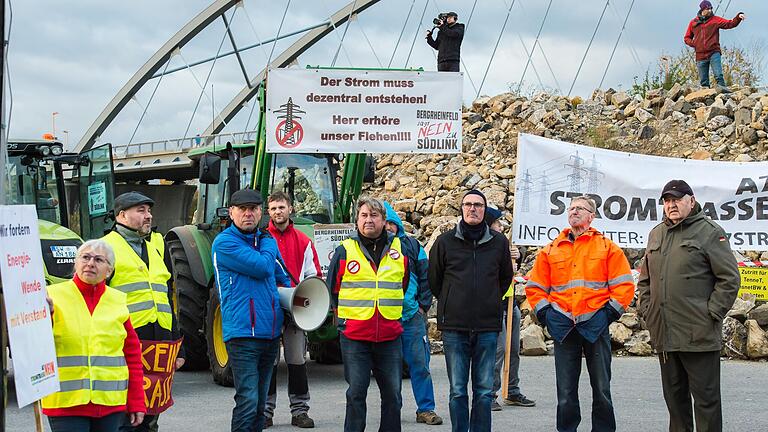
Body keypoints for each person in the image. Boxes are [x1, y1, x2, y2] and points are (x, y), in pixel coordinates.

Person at [637, 180, 740, 432]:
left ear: (691, 201)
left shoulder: (709, 232)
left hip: (699, 336)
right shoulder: (656, 233)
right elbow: (645, 281)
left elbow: (729, 279)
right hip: (665, 336)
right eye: (667, 200)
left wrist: (711, 314)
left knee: (706, 404)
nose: (671, 205)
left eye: (677, 199)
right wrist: (648, 312)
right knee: (675, 405)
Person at [525, 195, 634, 432]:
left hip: (596, 326)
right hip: (564, 328)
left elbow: (624, 286)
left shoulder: (607, 247)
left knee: (602, 389)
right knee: (565, 393)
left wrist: (606, 316)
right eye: (571, 208)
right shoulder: (551, 250)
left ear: (591, 216)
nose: (574, 211)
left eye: (580, 208)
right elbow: (535, 287)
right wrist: (548, 316)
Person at [428, 190, 513, 432]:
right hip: (454, 328)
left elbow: (505, 278)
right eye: (467, 204)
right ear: (461, 209)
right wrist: (451, 300)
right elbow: (434, 279)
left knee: (484, 391)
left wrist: (489, 300)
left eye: (477, 205)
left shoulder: (498, 243)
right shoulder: (445, 242)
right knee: (457, 390)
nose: (472, 209)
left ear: (485, 210)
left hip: (487, 327)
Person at [42, 240, 146, 432]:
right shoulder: (51, 297)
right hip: (66, 404)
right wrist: (43, 318)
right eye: (85, 257)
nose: (90, 263)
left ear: (109, 270)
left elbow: (132, 356)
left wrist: (137, 401)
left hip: (110, 405)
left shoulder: (117, 301)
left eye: (99, 260)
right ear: (76, 262)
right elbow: (36, 344)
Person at [102, 192, 184, 432]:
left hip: (158, 343)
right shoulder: (106, 249)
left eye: (149, 211)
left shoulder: (156, 247)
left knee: (151, 415)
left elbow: (166, 299)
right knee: (126, 416)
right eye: (141, 211)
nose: (148, 216)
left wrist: (179, 344)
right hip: (126, 342)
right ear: (121, 215)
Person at [326, 196, 409, 432]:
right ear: (356, 221)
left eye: (374, 216)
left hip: (389, 336)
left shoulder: (400, 250)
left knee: (393, 395)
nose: (368, 220)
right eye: (364, 215)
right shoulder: (344, 251)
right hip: (355, 337)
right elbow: (333, 290)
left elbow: (402, 284)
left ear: (384, 221)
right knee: (356, 395)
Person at [212, 188, 291, 432]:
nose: (248, 214)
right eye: (242, 209)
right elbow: (264, 267)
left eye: (253, 209)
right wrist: (269, 242)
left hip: (269, 334)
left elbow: (284, 278)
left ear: (260, 213)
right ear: (232, 213)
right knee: (248, 399)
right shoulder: (225, 243)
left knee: (259, 403)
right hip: (243, 334)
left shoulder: (263, 242)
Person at [264, 191, 321, 429]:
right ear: (268, 212)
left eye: (281, 207)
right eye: (274, 208)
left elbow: (313, 276)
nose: (278, 212)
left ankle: (300, 411)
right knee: (269, 361)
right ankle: (266, 411)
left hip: (295, 308)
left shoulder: (303, 241)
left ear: (290, 209)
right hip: (268, 308)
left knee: (297, 360)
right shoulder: (261, 239)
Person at [383, 202, 443, 426]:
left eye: (391, 222)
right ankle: (393, 410)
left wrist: (422, 307)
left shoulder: (411, 244)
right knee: (390, 369)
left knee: (420, 365)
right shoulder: (375, 246)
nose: (388, 227)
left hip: (411, 316)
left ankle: (426, 409)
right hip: (386, 317)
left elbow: (426, 276)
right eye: (385, 222)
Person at [484, 208, 535, 411]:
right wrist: (506, 261)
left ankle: (512, 389)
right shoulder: (484, 244)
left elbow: (510, 271)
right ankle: (489, 393)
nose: (501, 226)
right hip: (494, 304)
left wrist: (517, 257)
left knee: (513, 349)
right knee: (498, 350)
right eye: (497, 223)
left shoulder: (503, 243)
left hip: (509, 302)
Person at [684, 1, 745, 92]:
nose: (710, 10)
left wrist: (738, 17)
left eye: (711, 8)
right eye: (707, 9)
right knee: (704, 80)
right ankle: (706, 98)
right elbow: (687, 38)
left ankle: (724, 93)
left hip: (714, 52)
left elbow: (730, 23)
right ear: (702, 9)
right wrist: (695, 44)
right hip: (700, 55)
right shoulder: (693, 22)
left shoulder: (715, 20)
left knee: (718, 75)